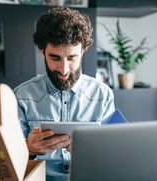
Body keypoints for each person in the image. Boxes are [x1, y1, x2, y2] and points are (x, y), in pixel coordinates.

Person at [13, 7, 115, 181]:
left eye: (71, 58)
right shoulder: (22, 95)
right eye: (55, 58)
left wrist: (97, 149)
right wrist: (28, 149)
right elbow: (6, 160)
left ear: (82, 51)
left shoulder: (103, 94)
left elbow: (114, 151)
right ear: (43, 52)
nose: (64, 69)